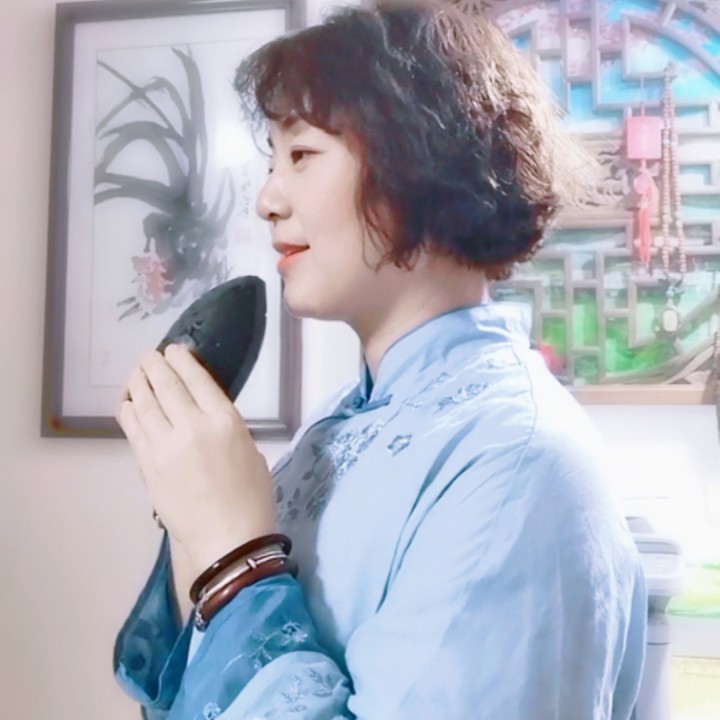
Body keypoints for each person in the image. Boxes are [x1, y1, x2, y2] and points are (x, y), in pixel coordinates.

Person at [113, 1, 647, 718]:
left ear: (418, 160)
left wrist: (231, 552)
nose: (267, 200)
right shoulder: (336, 426)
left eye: (302, 155)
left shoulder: (519, 464)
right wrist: (194, 513)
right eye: (272, 161)